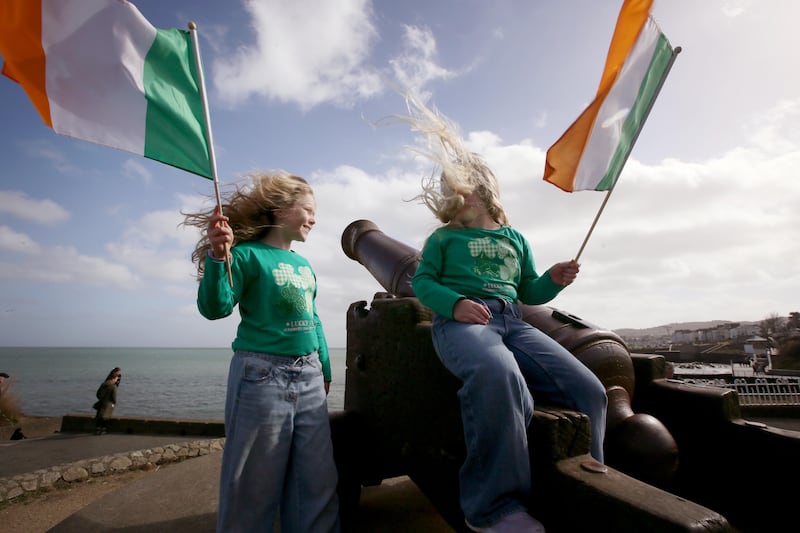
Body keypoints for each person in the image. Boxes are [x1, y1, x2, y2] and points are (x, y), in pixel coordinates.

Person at [399, 95, 608, 533]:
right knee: (498, 376)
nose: (453, 197)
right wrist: (453, 304)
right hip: (464, 322)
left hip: (513, 320)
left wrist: (553, 278)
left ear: (481, 190)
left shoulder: (514, 237)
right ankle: (493, 509)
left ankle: (591, 475)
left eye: (460, 188)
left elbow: (529, 289)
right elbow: (423, 282)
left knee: (590, 391)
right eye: (448, 191)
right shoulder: (443, 238)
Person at [184, 171, 340, 533]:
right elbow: (215, 307)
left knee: (316, 481)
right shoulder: (246, 255)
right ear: (281, 210)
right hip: (262, 376)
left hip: (311, 375)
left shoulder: (305, 265)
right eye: (309, 210)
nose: (314, 220)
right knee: (253, 485)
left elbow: (313, 318)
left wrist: (326, 369)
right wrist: (218, 258)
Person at [94, 367, 121, 435]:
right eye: (117, 378)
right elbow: (114, 397)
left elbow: (98, 394)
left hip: (101, 402)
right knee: (105, 417)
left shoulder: (104, 384)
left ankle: (97, 429)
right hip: (109, 404)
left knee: (99, 417)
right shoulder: (113, 386)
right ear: (114, 378)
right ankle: (103, 430)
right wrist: (114, 403)